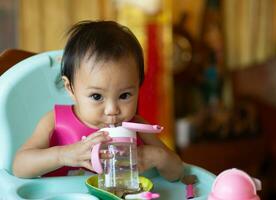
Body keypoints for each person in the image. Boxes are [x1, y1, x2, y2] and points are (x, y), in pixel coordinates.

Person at [12, 20, 183, 181]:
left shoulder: (137, 126)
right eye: (96, 96)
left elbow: (177, 173)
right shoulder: (56, 121)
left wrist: (156, 157)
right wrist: (63, 155)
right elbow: (19, 167)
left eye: (124, 95)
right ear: (70, 87)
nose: (112, 109)